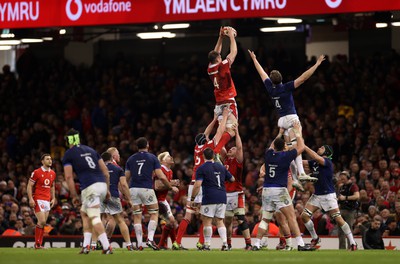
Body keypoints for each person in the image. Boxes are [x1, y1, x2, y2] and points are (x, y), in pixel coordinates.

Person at [248, 50, 324, 189]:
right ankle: (301, 173)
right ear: (281, 79)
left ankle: (295, 178)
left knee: (289, 148)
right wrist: (317, 64)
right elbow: (303, 78)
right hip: (291, 118)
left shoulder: (271, 88)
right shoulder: (286, 87)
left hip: (281, 120)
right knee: (298, 146)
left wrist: (254, 59)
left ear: (272, 81)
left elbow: (261, 73)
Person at [173, 109, 230, 250]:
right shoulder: (209, 147)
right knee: (207, 216)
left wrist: (214, 118)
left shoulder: (197, 148)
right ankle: (202, 242)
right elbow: (220, 131)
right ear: (206, 140)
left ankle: (177, 242)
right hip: (204, 185)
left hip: (193, 183)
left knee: (189, 214)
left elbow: (205, 133)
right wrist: (224, 117)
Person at [252, 121, 314, 251]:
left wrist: (280, 132)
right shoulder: (285, 156)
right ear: (284, 146)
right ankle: (300, 244)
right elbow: (301, 147)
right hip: (279, 190)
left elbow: (271, 145)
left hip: (267, 190)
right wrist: (297, 132)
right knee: (291, 217)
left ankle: (256, 243)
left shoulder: (268, 155)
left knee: (265, 219)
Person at [62, 128, 113, 254]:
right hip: (101, 184)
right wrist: (107, 190)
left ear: (68, 140)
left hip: (90, 187)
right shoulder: (91, 150)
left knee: (94, 216)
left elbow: (68, 177)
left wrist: (73, 195)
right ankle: (86, 246)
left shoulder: (68, 154)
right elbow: (106, 172)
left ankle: (107, 247)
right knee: (84, 213)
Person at [301, 144, 357, 251]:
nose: (318, 148)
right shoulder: (315, 162)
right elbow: (302, 162)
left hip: (328, 195)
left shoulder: (327, 162)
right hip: (317, 195)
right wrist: (290, 155)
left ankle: (353, 242)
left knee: (339, 220)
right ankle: (315, 238)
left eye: (321, 148)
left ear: (326, 152)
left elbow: (316, 157)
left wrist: (304, 147)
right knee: (304, 216)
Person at [125, 137, 174, 250]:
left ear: (137, 147)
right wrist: (170, 186)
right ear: (147, 145)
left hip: (133, 189)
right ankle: (150, 239)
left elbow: (126, 178)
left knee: (137, 216)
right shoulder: (152, 158)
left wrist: (125, 193)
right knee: (154, 213)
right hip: (146, 189)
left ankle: (139, 244)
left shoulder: (130, 159)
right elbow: (161, 176)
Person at [191, 148, 235, 250]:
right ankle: (225, 244)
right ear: (214, 156)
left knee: (207, 221)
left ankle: (207, 244)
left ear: (203, 156)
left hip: (209, 197)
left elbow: (197, 185)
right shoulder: (221, 167)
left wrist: (193, 198)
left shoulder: (201, 168)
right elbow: (232, 179)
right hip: (222, 197)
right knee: (220, 221)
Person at [207, 27, 239, 155]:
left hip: (218, 103)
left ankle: (218, 152)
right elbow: (234, 51)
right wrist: (231, 36)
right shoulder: (223, 66)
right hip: (228, 101)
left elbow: (215, 52)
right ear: (219, 59)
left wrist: (220, 37)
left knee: (221, 130)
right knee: (232, 130)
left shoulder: (210, 68)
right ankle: (217, 150)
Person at [222, 125, 252, 250]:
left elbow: (239, 147)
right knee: (227, 221)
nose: (231, 149)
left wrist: (237, 132)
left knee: (240, 219)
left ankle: (249, 244)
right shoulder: (225, 161)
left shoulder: (238, 161)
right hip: (225, 194)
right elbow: (220, 146)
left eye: (233, 149)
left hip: (237, 193)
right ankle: (228, 244)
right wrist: (223, 131)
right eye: (230, 148)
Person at [100, 151, 135, 250]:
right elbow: (123, 185)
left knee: (99, 219)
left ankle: (94, 244)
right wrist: (129, 199)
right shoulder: (118, 169)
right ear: (112, 159)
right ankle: (129, 245)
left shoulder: (98, 169)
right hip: (113, 196)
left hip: (101, 196)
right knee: (120, 220)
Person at [27, 154, 56, 249]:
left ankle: (38, 244)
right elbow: (29, 185)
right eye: (47, 159)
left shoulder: (53, 173)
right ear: (42, 161)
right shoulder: (36, 172)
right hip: (38, 198)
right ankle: (37, 244)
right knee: (42, 221)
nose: (50, 160)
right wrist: (31, 198)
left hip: (47, 200)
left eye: (50, 159)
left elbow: (52, 186)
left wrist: (53, 198)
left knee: (42, 223)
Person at [154, 151, 180, 249]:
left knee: (171, 222)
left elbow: (165, 186)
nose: (171, 157)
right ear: (162, 161)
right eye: (168, 156)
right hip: (157, 200)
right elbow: (157, 186)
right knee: (171, 221)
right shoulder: (160, 170)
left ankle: (174, 244)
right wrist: (172, 184)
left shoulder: (170, 171)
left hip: (163, 199)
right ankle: (163, 244)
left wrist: (171, 184)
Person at [337, 170, 360, 249]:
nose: (341, 179)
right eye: (341, 178)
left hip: (350, 210)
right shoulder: (342, 187)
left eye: (343, 178)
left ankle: (351, 246)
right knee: (340, 231)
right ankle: (342, 248)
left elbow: (357, 196)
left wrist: (345, 198)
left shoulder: (353, 186)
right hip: (341, 209)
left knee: (349, 229)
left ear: (348, 177)